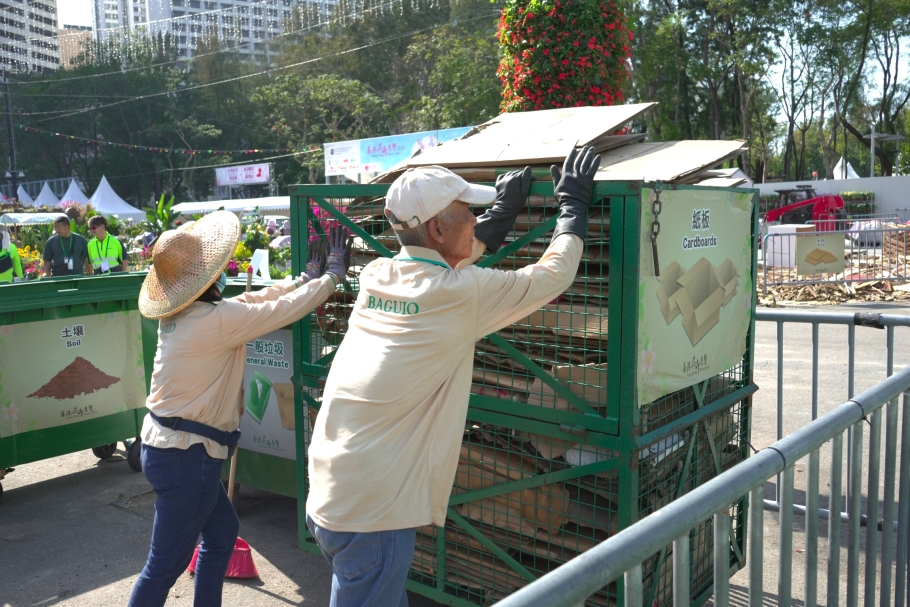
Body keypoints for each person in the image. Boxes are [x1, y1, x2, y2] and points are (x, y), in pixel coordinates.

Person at [305, 148, 601, 607]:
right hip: (372, 515)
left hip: (333, 492)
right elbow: (554, 275)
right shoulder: (460, 294)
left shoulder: (379, 275)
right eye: (468, 212)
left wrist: (502, 213)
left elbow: (443, 259)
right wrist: (573, 206)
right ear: (439, 229)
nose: (475, 220)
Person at [129, 210, 352, 607]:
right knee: (163, 567)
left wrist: (302, 279)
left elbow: (250, 301)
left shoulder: (183, 315)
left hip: (172, 449)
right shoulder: (216, 321)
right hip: (186, 457)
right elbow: (276, 311)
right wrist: (331, 278)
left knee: (220, 536)